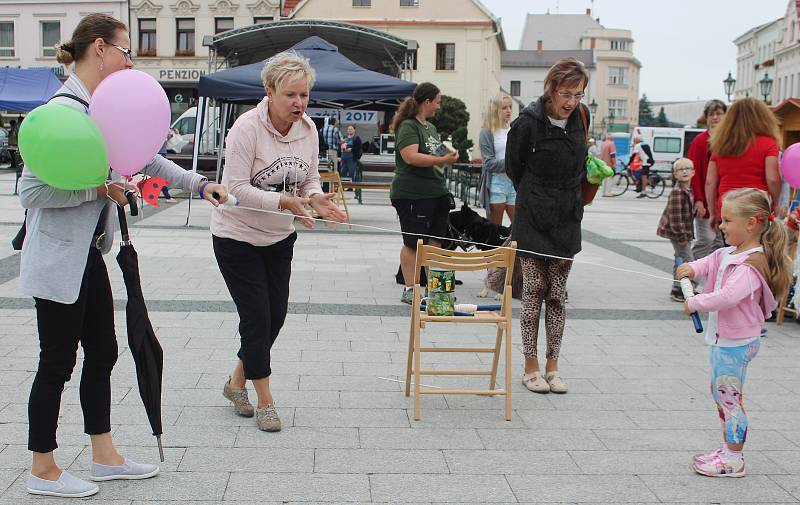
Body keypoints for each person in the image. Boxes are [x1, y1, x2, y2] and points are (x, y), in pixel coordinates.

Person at [17, 13, 228, 498]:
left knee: (105, 351)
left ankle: (104, 454)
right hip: (57, 261)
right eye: (126, 49)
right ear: (100, 49)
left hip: (88, 256)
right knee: (56, 363)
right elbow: (32, 192)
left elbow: (144, 156)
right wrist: (100, 189)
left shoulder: (104, 106)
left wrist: (199, 183)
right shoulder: (62, 111)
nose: (131, 59)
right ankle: (42, 468)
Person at [211, 51, 347, 432]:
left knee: (275, 316)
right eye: (291, 95)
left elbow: (307, 179)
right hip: (236, 236)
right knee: (256, 317)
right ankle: (265, 400)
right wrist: (283, 201)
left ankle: (236, 381)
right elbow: (233, 188)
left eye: (304, 95)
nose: (299, 104)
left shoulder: (308, 130)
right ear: (269, 91)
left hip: (278, 236)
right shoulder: (246, 128)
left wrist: (315, 198)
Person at [678, 188, 792, 477]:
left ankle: (734, 458)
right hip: (726, 341)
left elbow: (728, 297)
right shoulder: (730, 252)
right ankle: (728, 447)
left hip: (736, 343)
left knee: (729, 398)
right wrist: (690, 267)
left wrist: (695, 302)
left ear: (752, 223)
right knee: (721, 394)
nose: (722, 225)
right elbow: (710, 262)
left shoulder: (751, 265)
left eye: (728, 220)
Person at [506, 57, 591, 395]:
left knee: (557, 295)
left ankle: (553, 364)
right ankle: (530, 364)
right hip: (533, 214)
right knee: (533, 291)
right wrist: (535, 195)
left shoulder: (582, 118)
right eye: (567, 93)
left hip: (567, 215)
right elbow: (514, 168)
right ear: (552, 88)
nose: (571, 102)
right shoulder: (528, 121)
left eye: (579, 94)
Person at [390, 82, 459, 304]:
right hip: (412, 194)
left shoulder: (430, 128)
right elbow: (410, 156)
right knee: (413, 242)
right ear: (426, 102)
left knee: (435, 242)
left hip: (436, 193)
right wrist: (441, 159)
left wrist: (448, 158)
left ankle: (433, 289)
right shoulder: (408, 126)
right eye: (437, 102)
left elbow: (433, 159)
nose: (439, 107)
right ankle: (411, 289)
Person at [706, 98, 781, 232]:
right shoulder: (769, 143)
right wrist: (776, 204)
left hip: (727, 205)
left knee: (732, 250)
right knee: (756, 249)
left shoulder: (720, 145)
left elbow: (710, 182)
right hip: (756, 205)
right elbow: (773, 179)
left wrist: (712, 212)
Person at [689, 100, 727, 259]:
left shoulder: (729, 140)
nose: (715, 117)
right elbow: (694, 172)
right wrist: (698, 199)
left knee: (720, 243)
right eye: (711, 114)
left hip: (724, 201)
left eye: (719, 114)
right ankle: (688, 278)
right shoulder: (700, 141)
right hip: (705, 200)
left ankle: (711, 281)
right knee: (706, 239)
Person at [656, 158, 695, 302]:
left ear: (693, 172)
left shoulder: (688, 190)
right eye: (680, 169)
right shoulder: (677, 192)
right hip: (678, 233)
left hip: (683, 232)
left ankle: (677, 288)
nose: (684, 171)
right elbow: (675, 218)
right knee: (687, 261)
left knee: (679, 258)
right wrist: (682, 236)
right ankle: (681, 289)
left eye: (688, 168)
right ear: (675, 174)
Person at [478, 92, 516, 225]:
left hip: (514, 183)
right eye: (504, 108)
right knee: (494, 232)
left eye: (510, 107)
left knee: (519, 231)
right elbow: (488, 163)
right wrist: (512, 163)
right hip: (496, 183)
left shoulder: (514, 129)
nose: (509, 111)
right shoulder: (487, 131)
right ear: (495, 110)